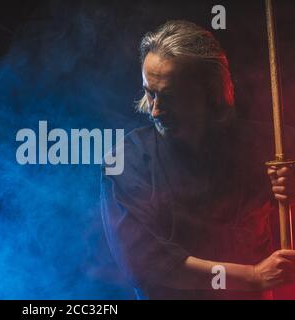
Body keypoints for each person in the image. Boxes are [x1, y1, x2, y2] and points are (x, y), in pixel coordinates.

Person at [101, 20, 295, 299]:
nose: (155, 111)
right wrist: (251, 277)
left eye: (169, 97)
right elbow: (145, 264)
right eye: (149, 92)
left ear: (211, 92)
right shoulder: (127, 160)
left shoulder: (273, 145)